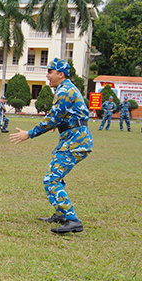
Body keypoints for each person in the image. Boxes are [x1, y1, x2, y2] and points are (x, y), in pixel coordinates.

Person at [10, 58, 93, 234]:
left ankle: (72, 220)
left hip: (75, 141)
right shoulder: (66, 88)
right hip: (73, 139)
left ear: (60, 74)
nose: (47, 76)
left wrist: (29, 134)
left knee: (51, 180)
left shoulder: (65, 91)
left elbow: (53, 119)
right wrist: (58, 123)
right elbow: (63, 116)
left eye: (50, 72)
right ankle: (61, 214)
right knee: (56, 177)